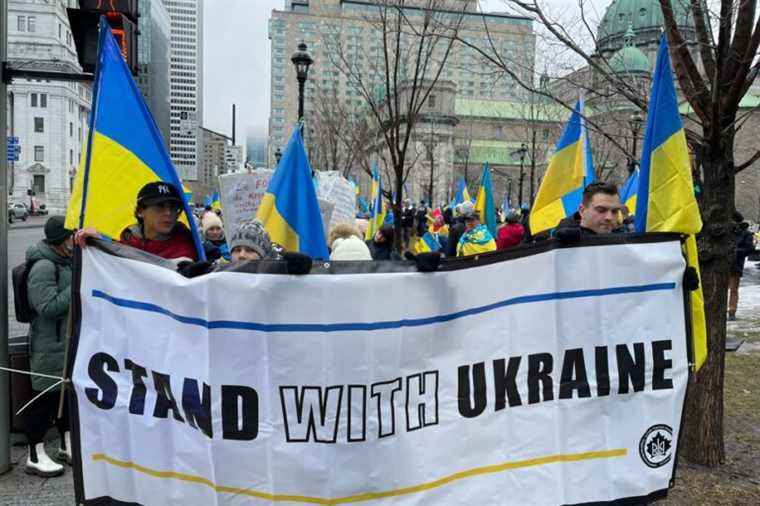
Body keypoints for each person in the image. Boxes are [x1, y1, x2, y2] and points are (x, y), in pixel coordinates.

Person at [23, 216, 74, 477]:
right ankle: (34, 453)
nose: (73, 241)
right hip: (48, 344)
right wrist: (75, 286)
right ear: (59, 241)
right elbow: (47, 307)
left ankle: (66, 444)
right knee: (44, 399)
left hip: (65, 343)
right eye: (69, 237)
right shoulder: (43, 266)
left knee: (66, 397)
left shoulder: (65, 261)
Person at [75, 181, 198, 263]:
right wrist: (97, 242)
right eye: (160, 206)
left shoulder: (191, 248)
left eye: (173, 207)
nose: (168, 213)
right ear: (140, 211)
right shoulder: (125, 245)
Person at [555, 182, 623, 236]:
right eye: (601, 210)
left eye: (615, 211)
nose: (609, 217)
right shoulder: (551, 246)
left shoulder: (627, 243)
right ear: (582, 211)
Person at [728, 216, 756, 321]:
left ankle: (732, 311)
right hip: (722, 264)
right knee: (721, 289)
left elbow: (750, 249)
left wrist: (736, 251)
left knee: (733, 289)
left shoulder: (746, 233)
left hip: (736, 264)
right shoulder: (726, 231)